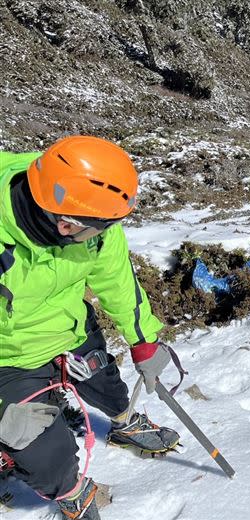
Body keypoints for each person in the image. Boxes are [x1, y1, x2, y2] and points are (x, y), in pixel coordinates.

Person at [0, 136, 180, 519]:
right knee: (34, 444)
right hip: (9, 359)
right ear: (65, 224)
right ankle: (69, 489)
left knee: (103, 376)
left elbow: (116, 278)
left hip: (70, 329)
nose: (104, 234)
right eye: (96, 229)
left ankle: (122, 420)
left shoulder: (85, 208)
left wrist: (143, 340)